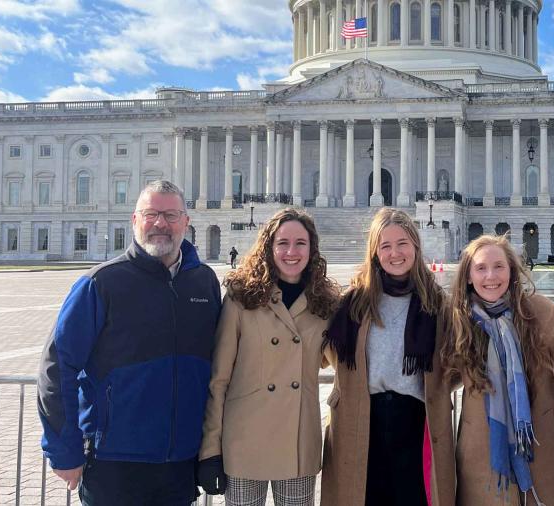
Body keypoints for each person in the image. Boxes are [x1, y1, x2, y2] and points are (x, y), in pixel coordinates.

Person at [36, 180, 222, 505]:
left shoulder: (203, 281)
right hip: (114, 462)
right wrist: (64, 452)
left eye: (170, 215)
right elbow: (57, 366)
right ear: (134, 221)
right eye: (151, 214)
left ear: (185, 222)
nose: (160, 223)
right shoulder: (102, 282)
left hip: (179, 462)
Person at [197, 208, 340, 505]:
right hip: (244, 442)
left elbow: (338, 361)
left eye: (300, 243)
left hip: (297, 443)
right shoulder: (241, 297)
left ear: (312, 248)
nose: (291, 251)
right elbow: (219, 379)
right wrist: (211, 448)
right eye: (283, 243)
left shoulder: (324, 303)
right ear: (269, 247)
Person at [444, 234, 554, 506]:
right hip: (481, 459)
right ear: (468, 276)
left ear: (512, 271)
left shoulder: (543, 312)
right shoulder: (458, 321)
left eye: (499, 266)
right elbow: (441, 379)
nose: (490, 276)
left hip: (545, 453)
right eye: (481, 268)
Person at [320, 208, 455, 506]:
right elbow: (320, 350)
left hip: (417, 423)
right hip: (362, 422)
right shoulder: (352, 303)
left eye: (402, 243)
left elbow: (456, 362)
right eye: (385, 246)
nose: (395, 253)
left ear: (416, 247)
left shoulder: (438, 304)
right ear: (374, 252)